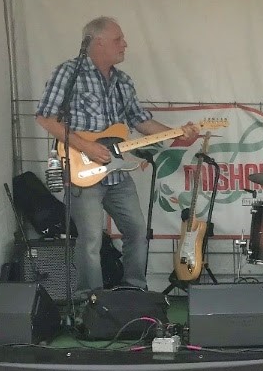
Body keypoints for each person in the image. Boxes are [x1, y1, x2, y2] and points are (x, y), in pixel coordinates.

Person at [35, 16, 199, 296]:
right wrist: (86, 147)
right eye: (118, 39)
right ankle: (91, 300)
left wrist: (176, 133)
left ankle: (134, 291)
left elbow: (140, 121)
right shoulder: (69, 72)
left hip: (117, 171)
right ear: (97, 42)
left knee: (137, 230)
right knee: (90, 239)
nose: (125, 44)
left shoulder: (123, 81)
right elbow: (46, 118)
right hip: (81, 169)